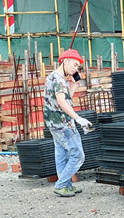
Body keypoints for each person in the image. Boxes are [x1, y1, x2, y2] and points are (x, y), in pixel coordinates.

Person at [43, 49, 92, 197]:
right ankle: (61, 185)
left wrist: (74, 85)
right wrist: (78, 118)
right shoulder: (58, 79)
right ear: (65, 61)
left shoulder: (53, 77)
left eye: (77, 67)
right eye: (74, 65)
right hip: (63, 123)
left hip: (53, 123)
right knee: (78, 155)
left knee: (62, 154)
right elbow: (61, 102)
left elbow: (66, 97)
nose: (75, 69)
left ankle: (67, 186)